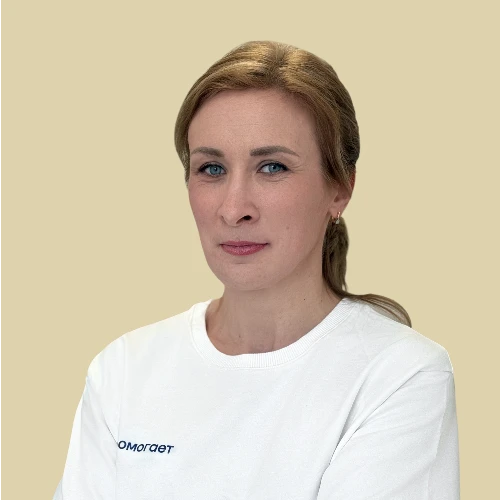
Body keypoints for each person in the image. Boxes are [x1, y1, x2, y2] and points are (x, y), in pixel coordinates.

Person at [53, 40, 460, 499]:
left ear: (340, 189)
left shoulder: (398, 376)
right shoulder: (124, 370)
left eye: (271, 167)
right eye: (211, 169)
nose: (234, 209)